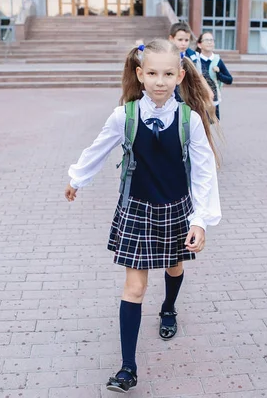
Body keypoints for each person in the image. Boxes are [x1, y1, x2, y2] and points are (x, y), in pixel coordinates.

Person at [64, 39, 221, 393]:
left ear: (180, 76)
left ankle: (168, 308)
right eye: (152, 73)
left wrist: (200, 220)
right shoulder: (125, 115)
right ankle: (128, 368)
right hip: (136, 208)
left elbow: (204, 171)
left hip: (176, 208)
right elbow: (99, 147)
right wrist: (77, 178)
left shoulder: (189, 119)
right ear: (140, 74)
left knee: (174, 267)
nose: (160, 81)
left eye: (168, 74)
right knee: (134, 288)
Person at [196, 32, 233, 120]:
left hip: (213, 99)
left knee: (213, 126)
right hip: (198, 98)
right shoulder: (195, 59)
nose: (209, 42)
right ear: (199, 45)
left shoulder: (217, 60)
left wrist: (218, 73)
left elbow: (229, 80)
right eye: (206, 40)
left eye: (211, 40)